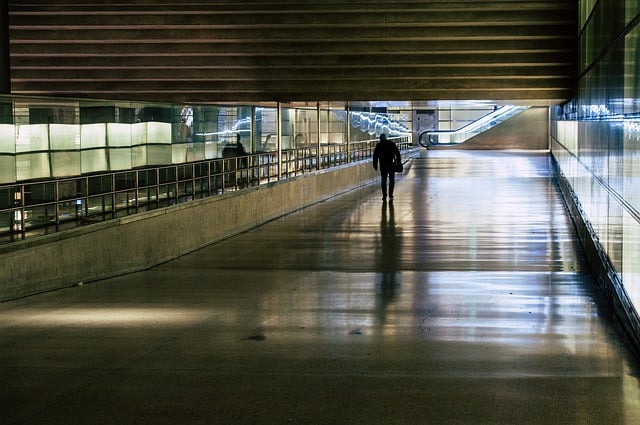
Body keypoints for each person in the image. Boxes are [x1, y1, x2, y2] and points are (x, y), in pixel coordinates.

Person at [373, 133, 401, 201]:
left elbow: (375, 156)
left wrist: (375, 164)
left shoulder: (379, 145)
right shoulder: (391, 143)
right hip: (391, 165)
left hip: (383, 166)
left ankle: (384, 195)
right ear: (386, 138)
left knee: (384, 181)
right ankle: (391, 194)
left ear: (380, 139)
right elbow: (397, 152)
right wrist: (398, 161)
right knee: (392, 180)